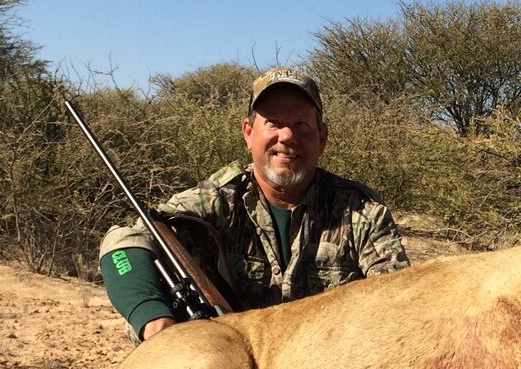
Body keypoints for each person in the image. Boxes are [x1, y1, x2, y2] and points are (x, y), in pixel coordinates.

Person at [99, 66, 410, 342]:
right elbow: (125, 245)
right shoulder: (217, 199)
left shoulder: (362, 210)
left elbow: (397, 299)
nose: (287, 136)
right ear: (248, 133)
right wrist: (152, 318)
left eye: (302, 124)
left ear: (323, 138)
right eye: (273, 123)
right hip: (227, 364)